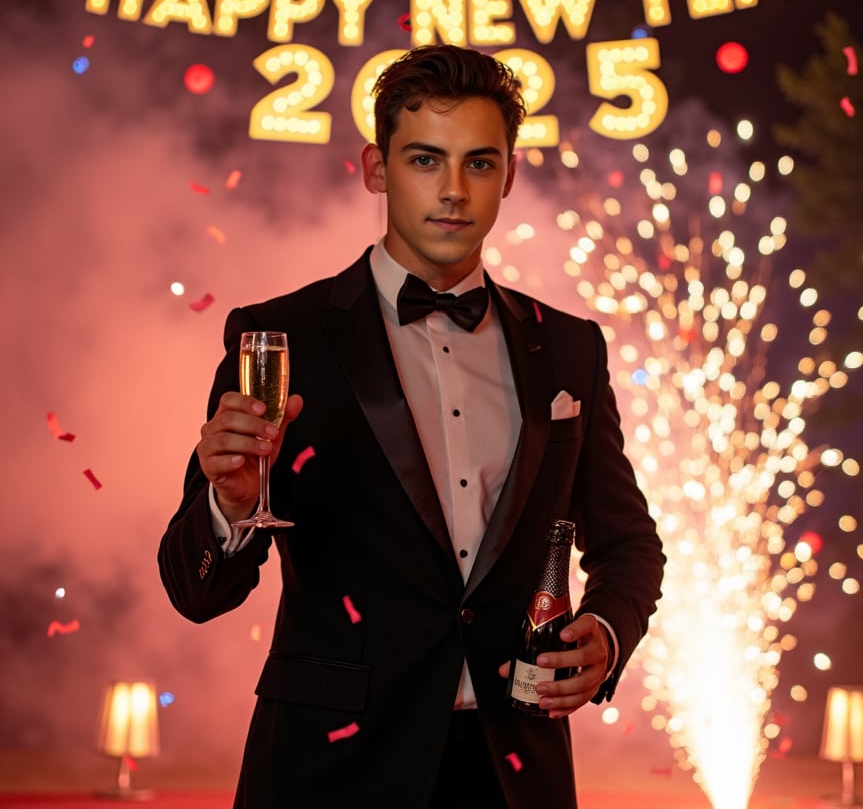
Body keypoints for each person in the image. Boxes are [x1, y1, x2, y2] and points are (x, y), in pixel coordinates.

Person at [158, 44, 664, 809]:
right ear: (375, 167)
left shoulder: (569, 348)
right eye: (426, 160)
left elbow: (629, 548)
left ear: (509, 176)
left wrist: (607, 629)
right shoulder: (278, 337)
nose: (454, 191)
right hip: (328, 774)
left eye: (479, 164)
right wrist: (228, 508)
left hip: (513, 771)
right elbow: (193, 591)